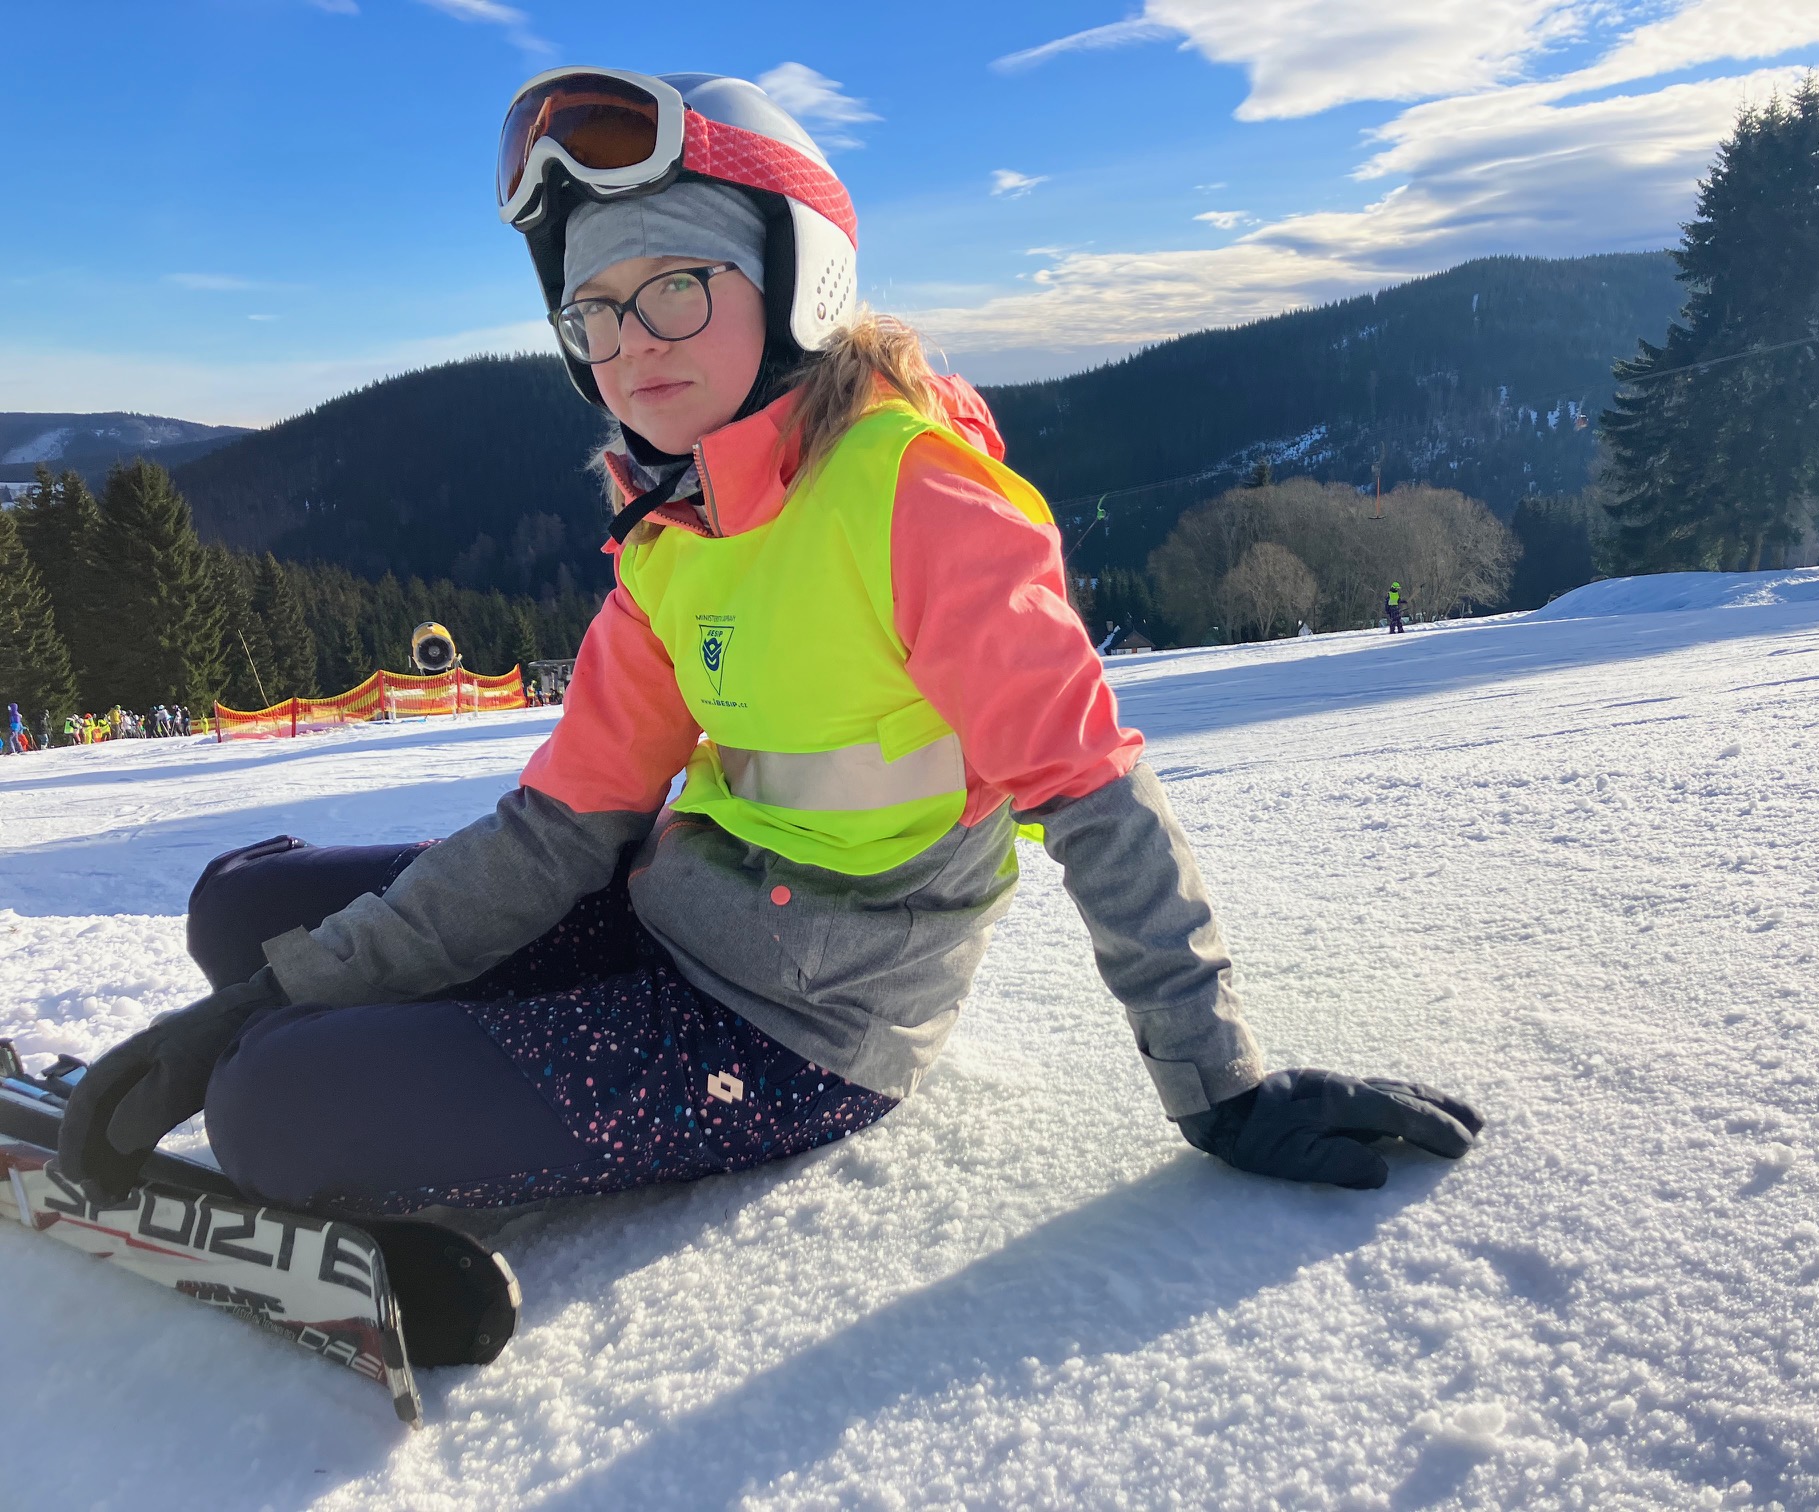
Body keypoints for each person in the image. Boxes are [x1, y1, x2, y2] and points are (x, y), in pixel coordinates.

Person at [60, 69, 1481, 1222]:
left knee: (274, 1104)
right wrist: (272, 994)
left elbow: (1097, 801)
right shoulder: (677, 529)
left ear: (797, 282)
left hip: (799, 1029)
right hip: (667, 913)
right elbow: (557, 831)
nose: (630, 345)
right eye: (593, 311)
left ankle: (303, 1072)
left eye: (675, 286)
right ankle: (293, 1021)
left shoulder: (919, 503)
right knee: (242, 920)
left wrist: (1219, 1085)